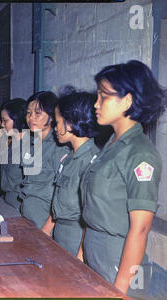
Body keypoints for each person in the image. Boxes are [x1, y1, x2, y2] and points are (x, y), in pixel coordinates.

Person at [80, 60, 167, 298]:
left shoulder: (140, 154)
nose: (96, 104)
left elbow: (140, 229)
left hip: (117, 264)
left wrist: (119, 290)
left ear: (127, 101)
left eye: (103, 97)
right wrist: (79, 259)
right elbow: (94, 210)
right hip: (94, 254)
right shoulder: (110, 145)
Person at [50, 87, 99, 258]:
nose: (54, 128)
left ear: (70, 122)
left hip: (76, 238)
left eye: (56, 122)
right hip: (61, 233)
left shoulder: (91, 160)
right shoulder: (69, 157)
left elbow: (91, 216)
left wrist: (80, 256)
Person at [19, 91, 70, 231]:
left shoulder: (59, 148)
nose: (31, 118)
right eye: (28, 113)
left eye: (38, 113)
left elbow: (61, 194)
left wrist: (47, 228)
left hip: (45, 221)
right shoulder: (31, 144)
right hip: (28, 214)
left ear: (52, 116)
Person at [0, 98, 27, 210]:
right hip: (8, 200)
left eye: (5, 120)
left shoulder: (29, 147)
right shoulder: (12, 145)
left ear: (17, 120)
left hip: (20, 204)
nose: (1, 124)